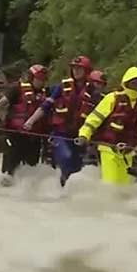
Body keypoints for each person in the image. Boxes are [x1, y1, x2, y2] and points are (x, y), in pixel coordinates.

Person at [23, 55, 93, 186]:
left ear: (87, 71)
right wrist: (31, 121)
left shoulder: (93, 90)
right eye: (74, 68)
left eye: (80, 69)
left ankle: (66, 190)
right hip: (61, 134)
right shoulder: (62, 87)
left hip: (81, 136)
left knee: (78, 167)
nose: (76, 71)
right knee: (67, 158)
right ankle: (61, 188)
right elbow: (45, 106)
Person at [75, 67, 137, 185]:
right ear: (127, 81)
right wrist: (84, 135)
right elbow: (94, 119)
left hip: (129, 152)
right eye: (133, 82)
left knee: (125, 187)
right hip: (108, 148)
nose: (136, 85)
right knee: (110, 184)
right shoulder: (112, 98)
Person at [0, 64, 48, 187]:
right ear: (31, 78)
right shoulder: (16, 88)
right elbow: (2, 103)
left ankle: (24, 193)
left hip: (33, 138)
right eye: (39, 78)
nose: (41, 82)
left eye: (43, 79)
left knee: (30, 169)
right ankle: (4, 191)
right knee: (10, 167)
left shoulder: (47, 93)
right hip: (15, 135)